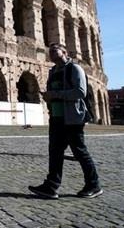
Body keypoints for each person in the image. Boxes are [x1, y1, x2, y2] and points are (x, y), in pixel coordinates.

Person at [28, 43, 102, 199]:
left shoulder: (75, 69)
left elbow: (80, 92)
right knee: (54, 153)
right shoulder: (53, 71)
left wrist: (55, 94)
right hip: (56, 118)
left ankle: (94, 185)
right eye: (50, 52)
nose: (52, 54)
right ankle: (51, 186)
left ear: (65, 52)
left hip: (72, 118)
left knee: (80, 152)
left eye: (55, 51)